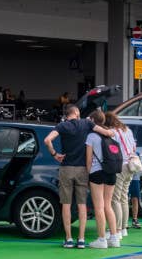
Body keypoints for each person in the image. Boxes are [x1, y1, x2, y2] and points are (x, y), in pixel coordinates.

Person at [44, 104, 111, 249]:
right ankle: (81, 239)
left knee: (66, 204)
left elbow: (47, 140)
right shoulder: (86, 123)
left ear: (67, 115)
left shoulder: (62, 126)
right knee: (82, 205)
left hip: (66, 168)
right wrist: (114, 133)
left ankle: (68, 239)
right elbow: (106, 133)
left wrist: (55, 154)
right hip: (82, 169)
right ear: (76, 112)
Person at [86, 109, 121, 248]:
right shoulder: (113, 135)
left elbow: (88, 159)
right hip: (111, 172)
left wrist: (87, 173)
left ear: (93, 121)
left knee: (99, 207)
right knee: (108, 205)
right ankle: (114, 237)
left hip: (97, 172)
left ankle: (101, 239)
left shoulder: (91, 137)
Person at [106, 112, 138, 238]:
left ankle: (117, 229)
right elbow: (134, 147)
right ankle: (124, 228)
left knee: (115, 199)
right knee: (124, 197)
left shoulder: (113, 132)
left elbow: (111, 149)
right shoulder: (127, 130)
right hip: (131, 165)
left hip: (119, 166)